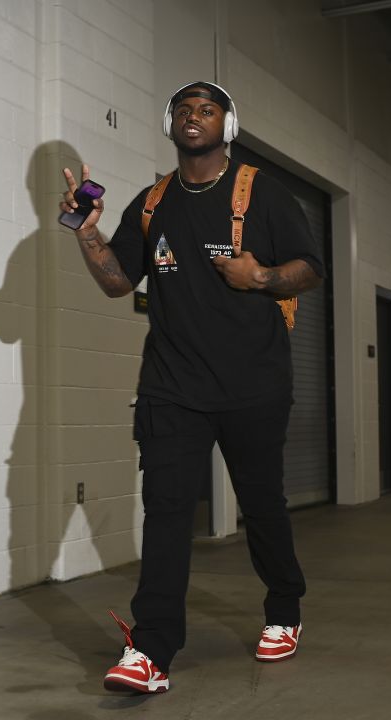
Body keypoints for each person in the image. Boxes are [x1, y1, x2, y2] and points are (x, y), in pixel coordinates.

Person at [58, 81, 325, 694]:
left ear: (227, 124)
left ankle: (284, 607)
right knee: (167, 513)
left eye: (205, 109)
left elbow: (310, 267)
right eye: (182, 110)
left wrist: (260, 276)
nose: (192, 117)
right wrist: (87, 232)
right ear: (168, 124)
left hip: (255, 384)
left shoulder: (264, 193)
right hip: (172, 388)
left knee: (262, 506)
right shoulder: (152, 205)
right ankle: (151, 651)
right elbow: (118, 282)